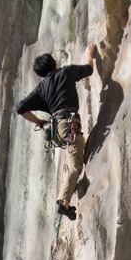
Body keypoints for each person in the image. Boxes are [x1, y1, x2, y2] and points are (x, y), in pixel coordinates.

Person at [16, 44, 97, 220]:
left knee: (71, 160)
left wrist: (38, 121)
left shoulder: (42, 88)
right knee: (75, 164)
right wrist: (89, 55)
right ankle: (64, 202)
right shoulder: (65, 72)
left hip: (56, 130)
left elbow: (20, 108)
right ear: (54, 62)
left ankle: (65, 193)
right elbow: (88, 70)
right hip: (68, 124)